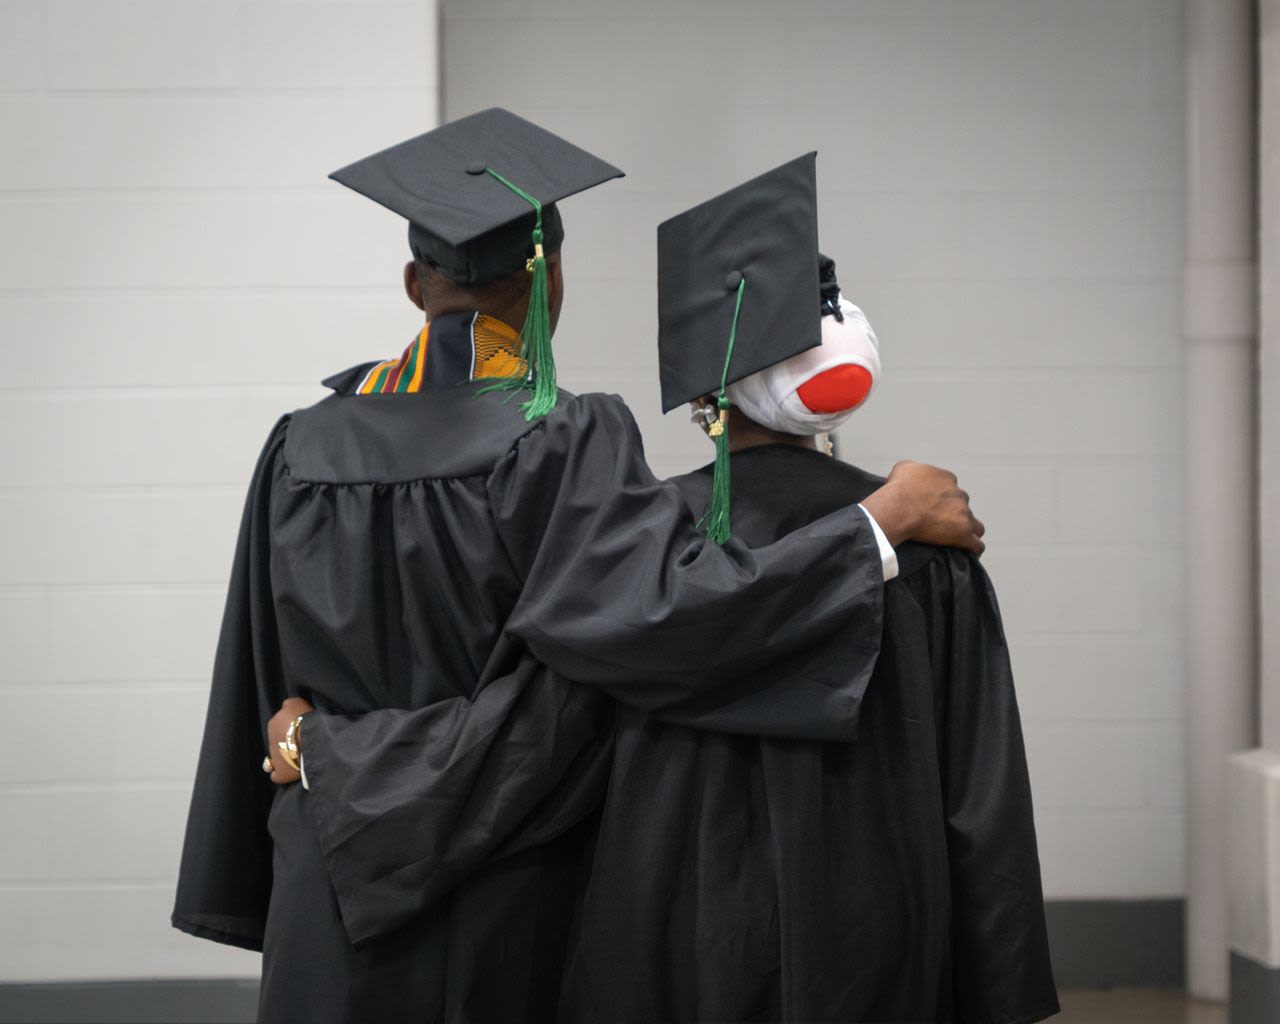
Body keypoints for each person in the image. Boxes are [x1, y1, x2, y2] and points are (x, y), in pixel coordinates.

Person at [173, 110, 983, 1024]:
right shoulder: (561, 435)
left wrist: (310, 751)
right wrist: (879, 521)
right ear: (549, 276)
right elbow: (670, 621)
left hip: (329, 874)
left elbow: (264, 677)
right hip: (506, 875)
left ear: (413, 284)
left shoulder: (300, 448)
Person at [556, 155, 1059, 1022]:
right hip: (875, 921)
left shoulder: (646, 543)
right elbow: (981, 796)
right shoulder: (929, 544)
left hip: (671, 917)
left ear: (711, 393)